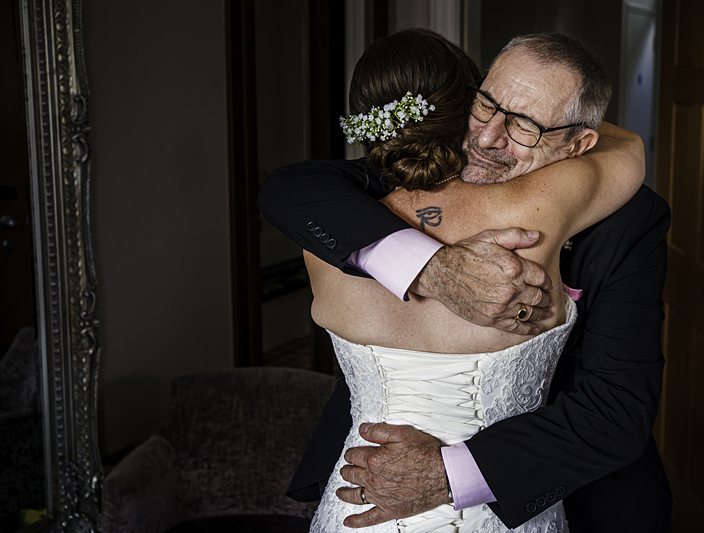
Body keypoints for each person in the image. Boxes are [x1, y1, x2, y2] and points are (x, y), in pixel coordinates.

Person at [261, 31, 672, 532]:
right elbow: (290, 187)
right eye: (485, 105)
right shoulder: (355, 195)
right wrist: (432, 268)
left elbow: (614, 411)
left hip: (546, 486)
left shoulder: (631, 220)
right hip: (366, 486)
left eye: (524, 126)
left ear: (581, 143)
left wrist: (446, 474)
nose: (486, 138)